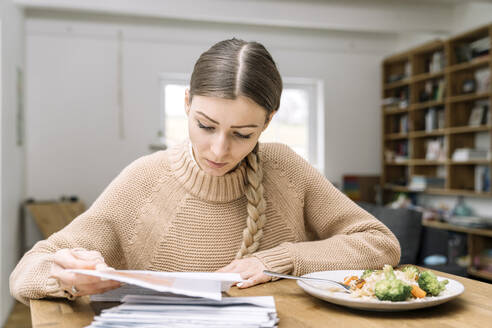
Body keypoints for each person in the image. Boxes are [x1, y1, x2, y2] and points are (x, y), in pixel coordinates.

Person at [10, 38, 401, 305]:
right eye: (206, 125)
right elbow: (27, 270)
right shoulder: (145, 180)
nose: (219, 150)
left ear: (268, 122)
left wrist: (277, 260)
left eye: (242, 133)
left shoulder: (285, 169)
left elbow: (379, 242)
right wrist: (70, 276)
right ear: (186, 103)